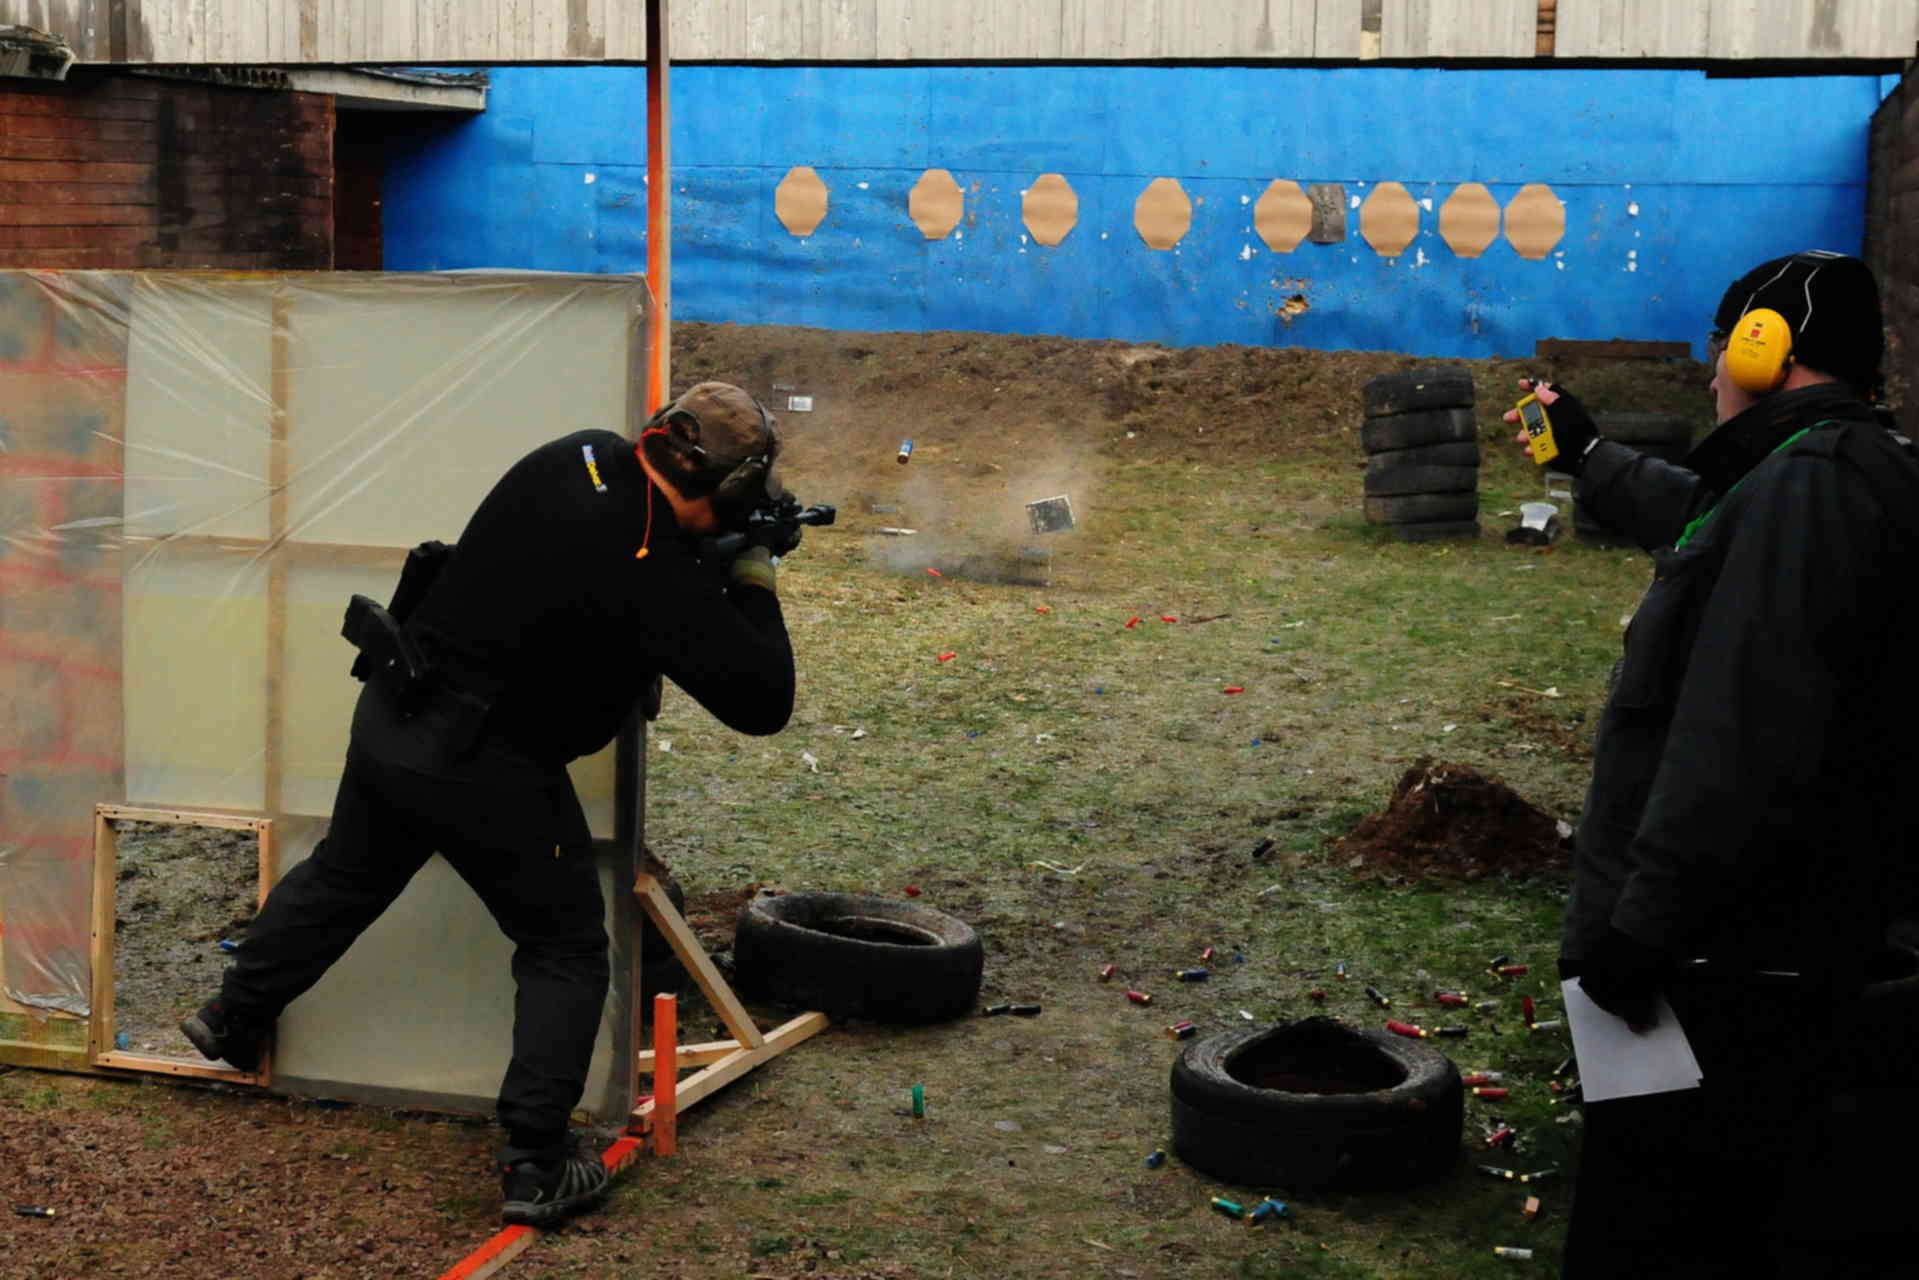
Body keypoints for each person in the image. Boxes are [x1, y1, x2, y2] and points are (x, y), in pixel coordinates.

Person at [181, 382, 801, 1228]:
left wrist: (709, 549)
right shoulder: (649, 570)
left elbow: (613, 558)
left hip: (397, 709)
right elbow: (762, 699)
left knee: (345, 877)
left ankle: (231, 1016)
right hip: (481, 763)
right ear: (719, 490)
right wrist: (751, 567)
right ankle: (537, 1163)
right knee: (565, 945)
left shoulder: (577, 455)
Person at [1509, 251, 1919, 1278]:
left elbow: (1738, 742)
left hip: (1721, 967)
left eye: (1720, 346)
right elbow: (1704, 517)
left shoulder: (1808, 492)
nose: (1708, 374)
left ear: (1764, 344)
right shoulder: (1815, 473)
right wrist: (1590, 454)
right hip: (1759, 950)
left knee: (1653, 1220)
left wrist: (1635, 930)